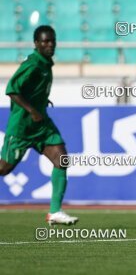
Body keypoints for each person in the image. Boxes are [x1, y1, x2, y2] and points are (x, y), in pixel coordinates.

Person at [0, 25, 78, 226]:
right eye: (45, 41)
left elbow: (33, 90)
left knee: (61, 159)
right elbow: (12, 90)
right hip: (22, 128)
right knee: (4, 169)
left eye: (52, 40)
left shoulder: (45, 63)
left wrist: (42, 103)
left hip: (41, 126)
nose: (50, 44)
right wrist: (32, 110)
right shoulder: (33, 64)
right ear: (36, 43)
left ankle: (55, 212)